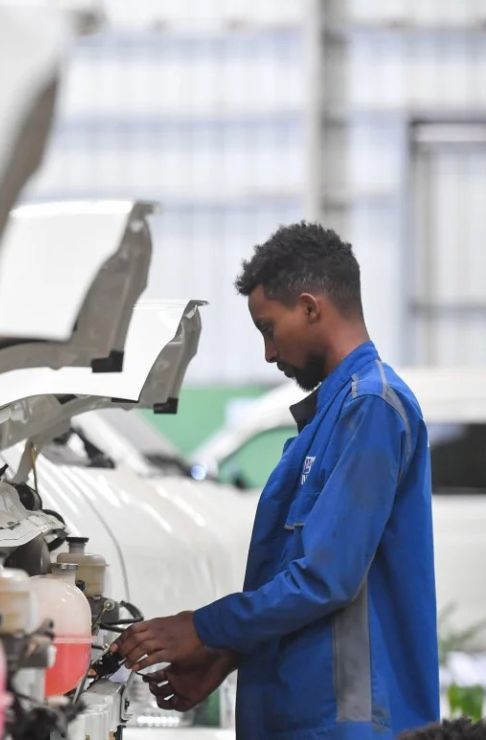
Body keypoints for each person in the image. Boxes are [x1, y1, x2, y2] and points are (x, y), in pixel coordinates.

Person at [113, 222, 440, 738]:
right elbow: (298, 578)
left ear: (311, 308)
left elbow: (324, 579)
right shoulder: (333, 414)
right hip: (303, 713)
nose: (268, 353)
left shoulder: (371, 407)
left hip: (348, 721)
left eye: (268, 328)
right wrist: (226, 654)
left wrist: (202, 628)